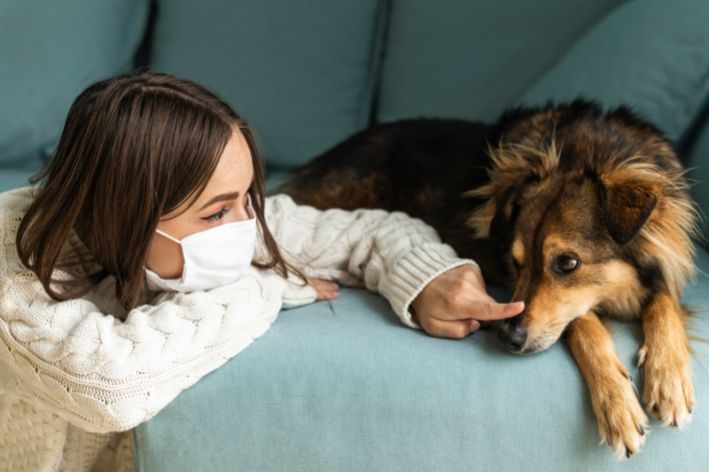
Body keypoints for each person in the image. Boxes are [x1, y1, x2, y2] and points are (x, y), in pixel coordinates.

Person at [0, 71, 524, 472]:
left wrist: (429, 276)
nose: (246, 225)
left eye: (246, 197)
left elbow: (368, 232)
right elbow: (107, 384)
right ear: (125, 213)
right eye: (217, 212)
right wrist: (266, 284)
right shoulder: (14, 269)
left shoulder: (220, 222)